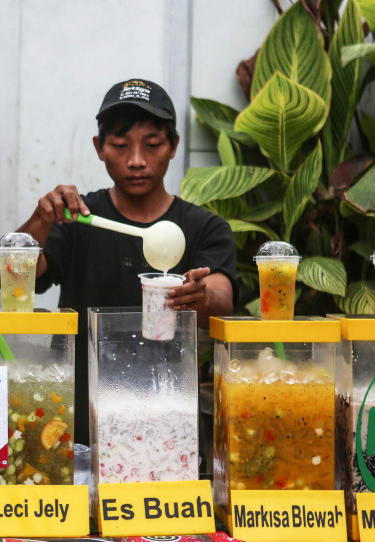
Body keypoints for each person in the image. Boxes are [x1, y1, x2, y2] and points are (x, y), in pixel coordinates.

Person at [19, 78, 237, 444]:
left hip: (169, 417)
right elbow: (15, 278)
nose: (136, 161)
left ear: (174, 146)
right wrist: (41, 219)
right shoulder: (78, 219)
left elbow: (221, 298)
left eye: (152, 145)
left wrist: (199, 296)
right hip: (80, 418)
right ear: (99, 148)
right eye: (120, 146)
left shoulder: (204, 227)